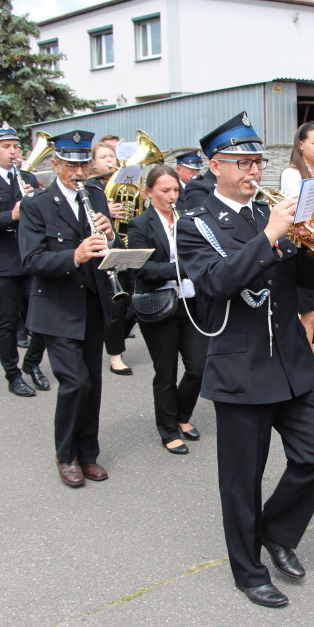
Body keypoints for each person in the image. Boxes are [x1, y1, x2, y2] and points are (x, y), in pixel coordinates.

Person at [175, 111, 314, 608]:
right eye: (242, 163)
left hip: (291, 359)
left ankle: (277, 531)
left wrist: (310, 238)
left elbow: (311, 282)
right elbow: (218, 283)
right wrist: (272, 235)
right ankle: (248, 571)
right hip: (241, 366)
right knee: (242, 480)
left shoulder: (269, 212)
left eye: (257, 161)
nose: (252, 172)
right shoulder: (195, 223)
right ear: (214, 165)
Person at [19, 130, 120, 487]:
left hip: (93, 303)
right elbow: (31, 260)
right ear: (55, 164)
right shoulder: (37, 204)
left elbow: (113, 247)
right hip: (57, 307)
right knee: (74, 382)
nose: (79, 172)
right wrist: (73, 256)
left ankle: (88, 454)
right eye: (71, 165)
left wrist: (109, 236)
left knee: (92, 383)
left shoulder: (95, 195)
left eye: (83, 164)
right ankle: (66, 455)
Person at [128, 165, 207, 454]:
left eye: (176, 190)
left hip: (189, 303)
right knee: (165, 372)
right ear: (149, 192)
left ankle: (181, 416)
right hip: (158, 306)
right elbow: (141, 268)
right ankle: (168, 429)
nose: (172, 195)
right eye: (165, 191)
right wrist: (181, 269)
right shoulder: (139, 224)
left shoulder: (187, 220)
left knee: (199, 368)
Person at [0, 123, 49, 398]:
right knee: (6, 323)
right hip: (3, 261)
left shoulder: (25, 176)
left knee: (40, 317)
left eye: (16, 146)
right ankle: (12, 374)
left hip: (31, 257)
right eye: (6, 147)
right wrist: (12, 215)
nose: (13, 151)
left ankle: (33, 363)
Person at [280, 122, 314, 388]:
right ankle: (306, 366)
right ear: (301, 144)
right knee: (309, 313)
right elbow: (298, 210)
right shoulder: (292, 174)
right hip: (306, 249)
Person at [86, 141, 134, 375]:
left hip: (109, 253)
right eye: (103, 157)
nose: (109, 161)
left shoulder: (104, 189)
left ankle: (116, 355)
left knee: (118, 303)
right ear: (93, 163)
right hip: (81, 258)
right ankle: (33, 358)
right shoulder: (95, 187)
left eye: (111, 156)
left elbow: (112, 231)